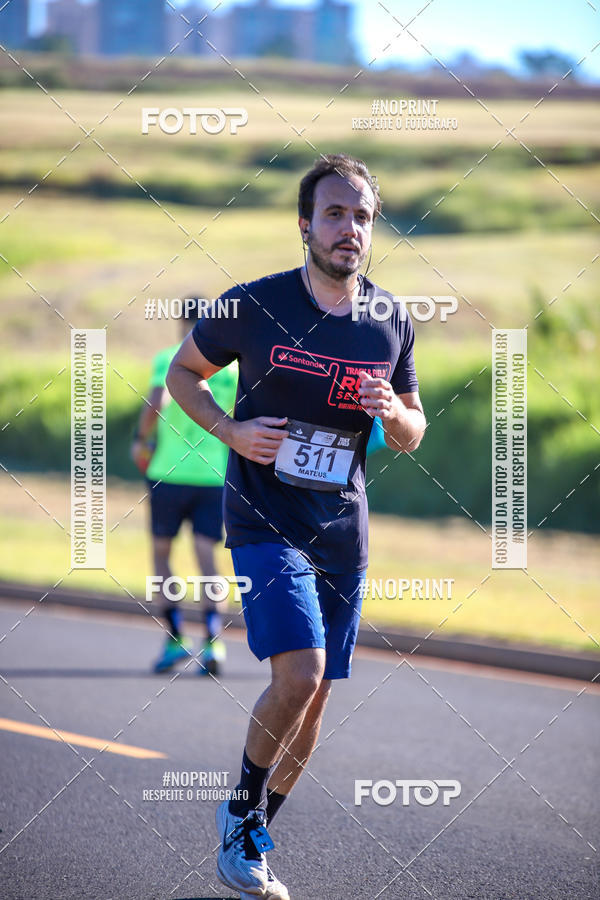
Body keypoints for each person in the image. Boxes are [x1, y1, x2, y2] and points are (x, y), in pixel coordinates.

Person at [166, 154, 426, 899]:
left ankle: (255, 828)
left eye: (364, 217)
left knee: (317, 697)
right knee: (300, 672)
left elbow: (415, 430)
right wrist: (230, 430)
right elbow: (183, 375)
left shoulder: (390, 321)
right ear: (306, 224)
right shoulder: (251, 305)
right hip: (262, 519)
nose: (351, 229)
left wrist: (394, 415)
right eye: (337, 214)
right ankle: (241, 817)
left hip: (343, 532)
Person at [131, 298, 238, 676]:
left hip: (169, 473)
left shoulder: (170, 357)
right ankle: (213, 641)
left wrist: (140, 440)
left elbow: (157, 401)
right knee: (208, 557)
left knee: (162, 554)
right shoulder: (232, 368)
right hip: (213, 473)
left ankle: (176, 637)